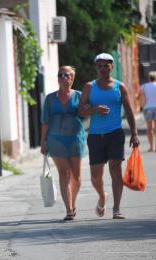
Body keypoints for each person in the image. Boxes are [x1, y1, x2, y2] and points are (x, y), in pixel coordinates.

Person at [78, 53, 139, 220]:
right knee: (96, 174)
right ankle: (102, 196)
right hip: (96, 135)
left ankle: (116, 209)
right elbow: (80, 110)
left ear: (112, 67)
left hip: (115, 133)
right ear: (96, 68)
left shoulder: (120, 87)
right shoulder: (90, 87)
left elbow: (129, 111)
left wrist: (134, 133)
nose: (103, 69)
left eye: (107, 65)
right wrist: (94, 110)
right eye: (100, 66)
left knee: (115, 168)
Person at [41, 66, 86, 221]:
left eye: (67, 75)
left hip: (76, 139)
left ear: (72, 78)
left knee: (77, 176)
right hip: (55, 139)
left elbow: (86, 114)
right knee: (64, 173)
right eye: (60, 74)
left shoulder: (80, 96)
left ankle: (73, 203)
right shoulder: (50, 98)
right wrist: (43, 141)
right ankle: (69, 209)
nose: (63, 77)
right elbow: (45, 121)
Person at [138, 71, 156, 152]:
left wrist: (141, 106)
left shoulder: (143, 86)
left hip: (148, 108)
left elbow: (142, 98)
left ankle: (152, 147)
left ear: (149, 78)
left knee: (149, 128)